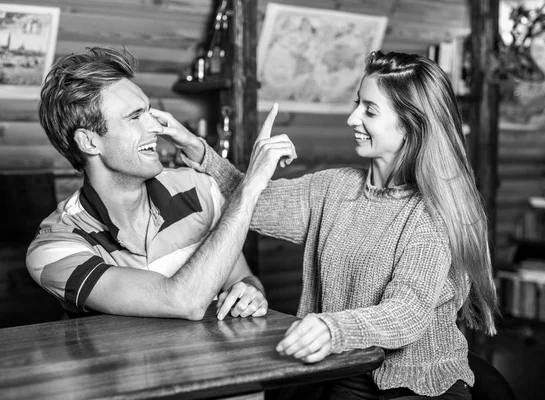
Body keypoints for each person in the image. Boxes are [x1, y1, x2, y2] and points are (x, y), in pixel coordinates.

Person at [170, 51, 499, 399]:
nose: (353, 118)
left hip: (418, 386)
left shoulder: (431, 213)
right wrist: (200, 152)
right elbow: (255, 205)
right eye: (357, 103)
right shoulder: (335, 187)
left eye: (370, 110)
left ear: (410, 125)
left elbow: (407, 313)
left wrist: (332, 328)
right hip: (343, 371)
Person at [26, 46, 297, 321]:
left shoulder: (199, 189)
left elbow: (244, 278)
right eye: (134, 117)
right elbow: (183, 301)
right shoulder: (55, 246)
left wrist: (249, 292)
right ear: (89, 141)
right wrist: (249, 187)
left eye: (149, 111)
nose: (155, 126)